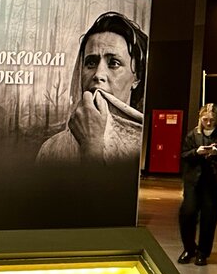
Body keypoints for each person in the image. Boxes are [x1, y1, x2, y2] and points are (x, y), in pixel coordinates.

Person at [36, 12, 149, 166]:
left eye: (114, 63)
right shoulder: (52, 149)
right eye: (91, 63)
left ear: (137, 78)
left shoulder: (144, 146)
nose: (98, 74)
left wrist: (91, 144)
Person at [178, 103, 217, 266]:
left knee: (209, 219)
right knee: (187, 213)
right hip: (194, 182)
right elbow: (183, 154)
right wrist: (196, 152)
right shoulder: (193, 135)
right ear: (200, 119)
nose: (209, 123)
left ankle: (202, 252)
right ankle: (189, 248)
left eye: (212, 120)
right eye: (205, 119)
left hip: (215, 183)